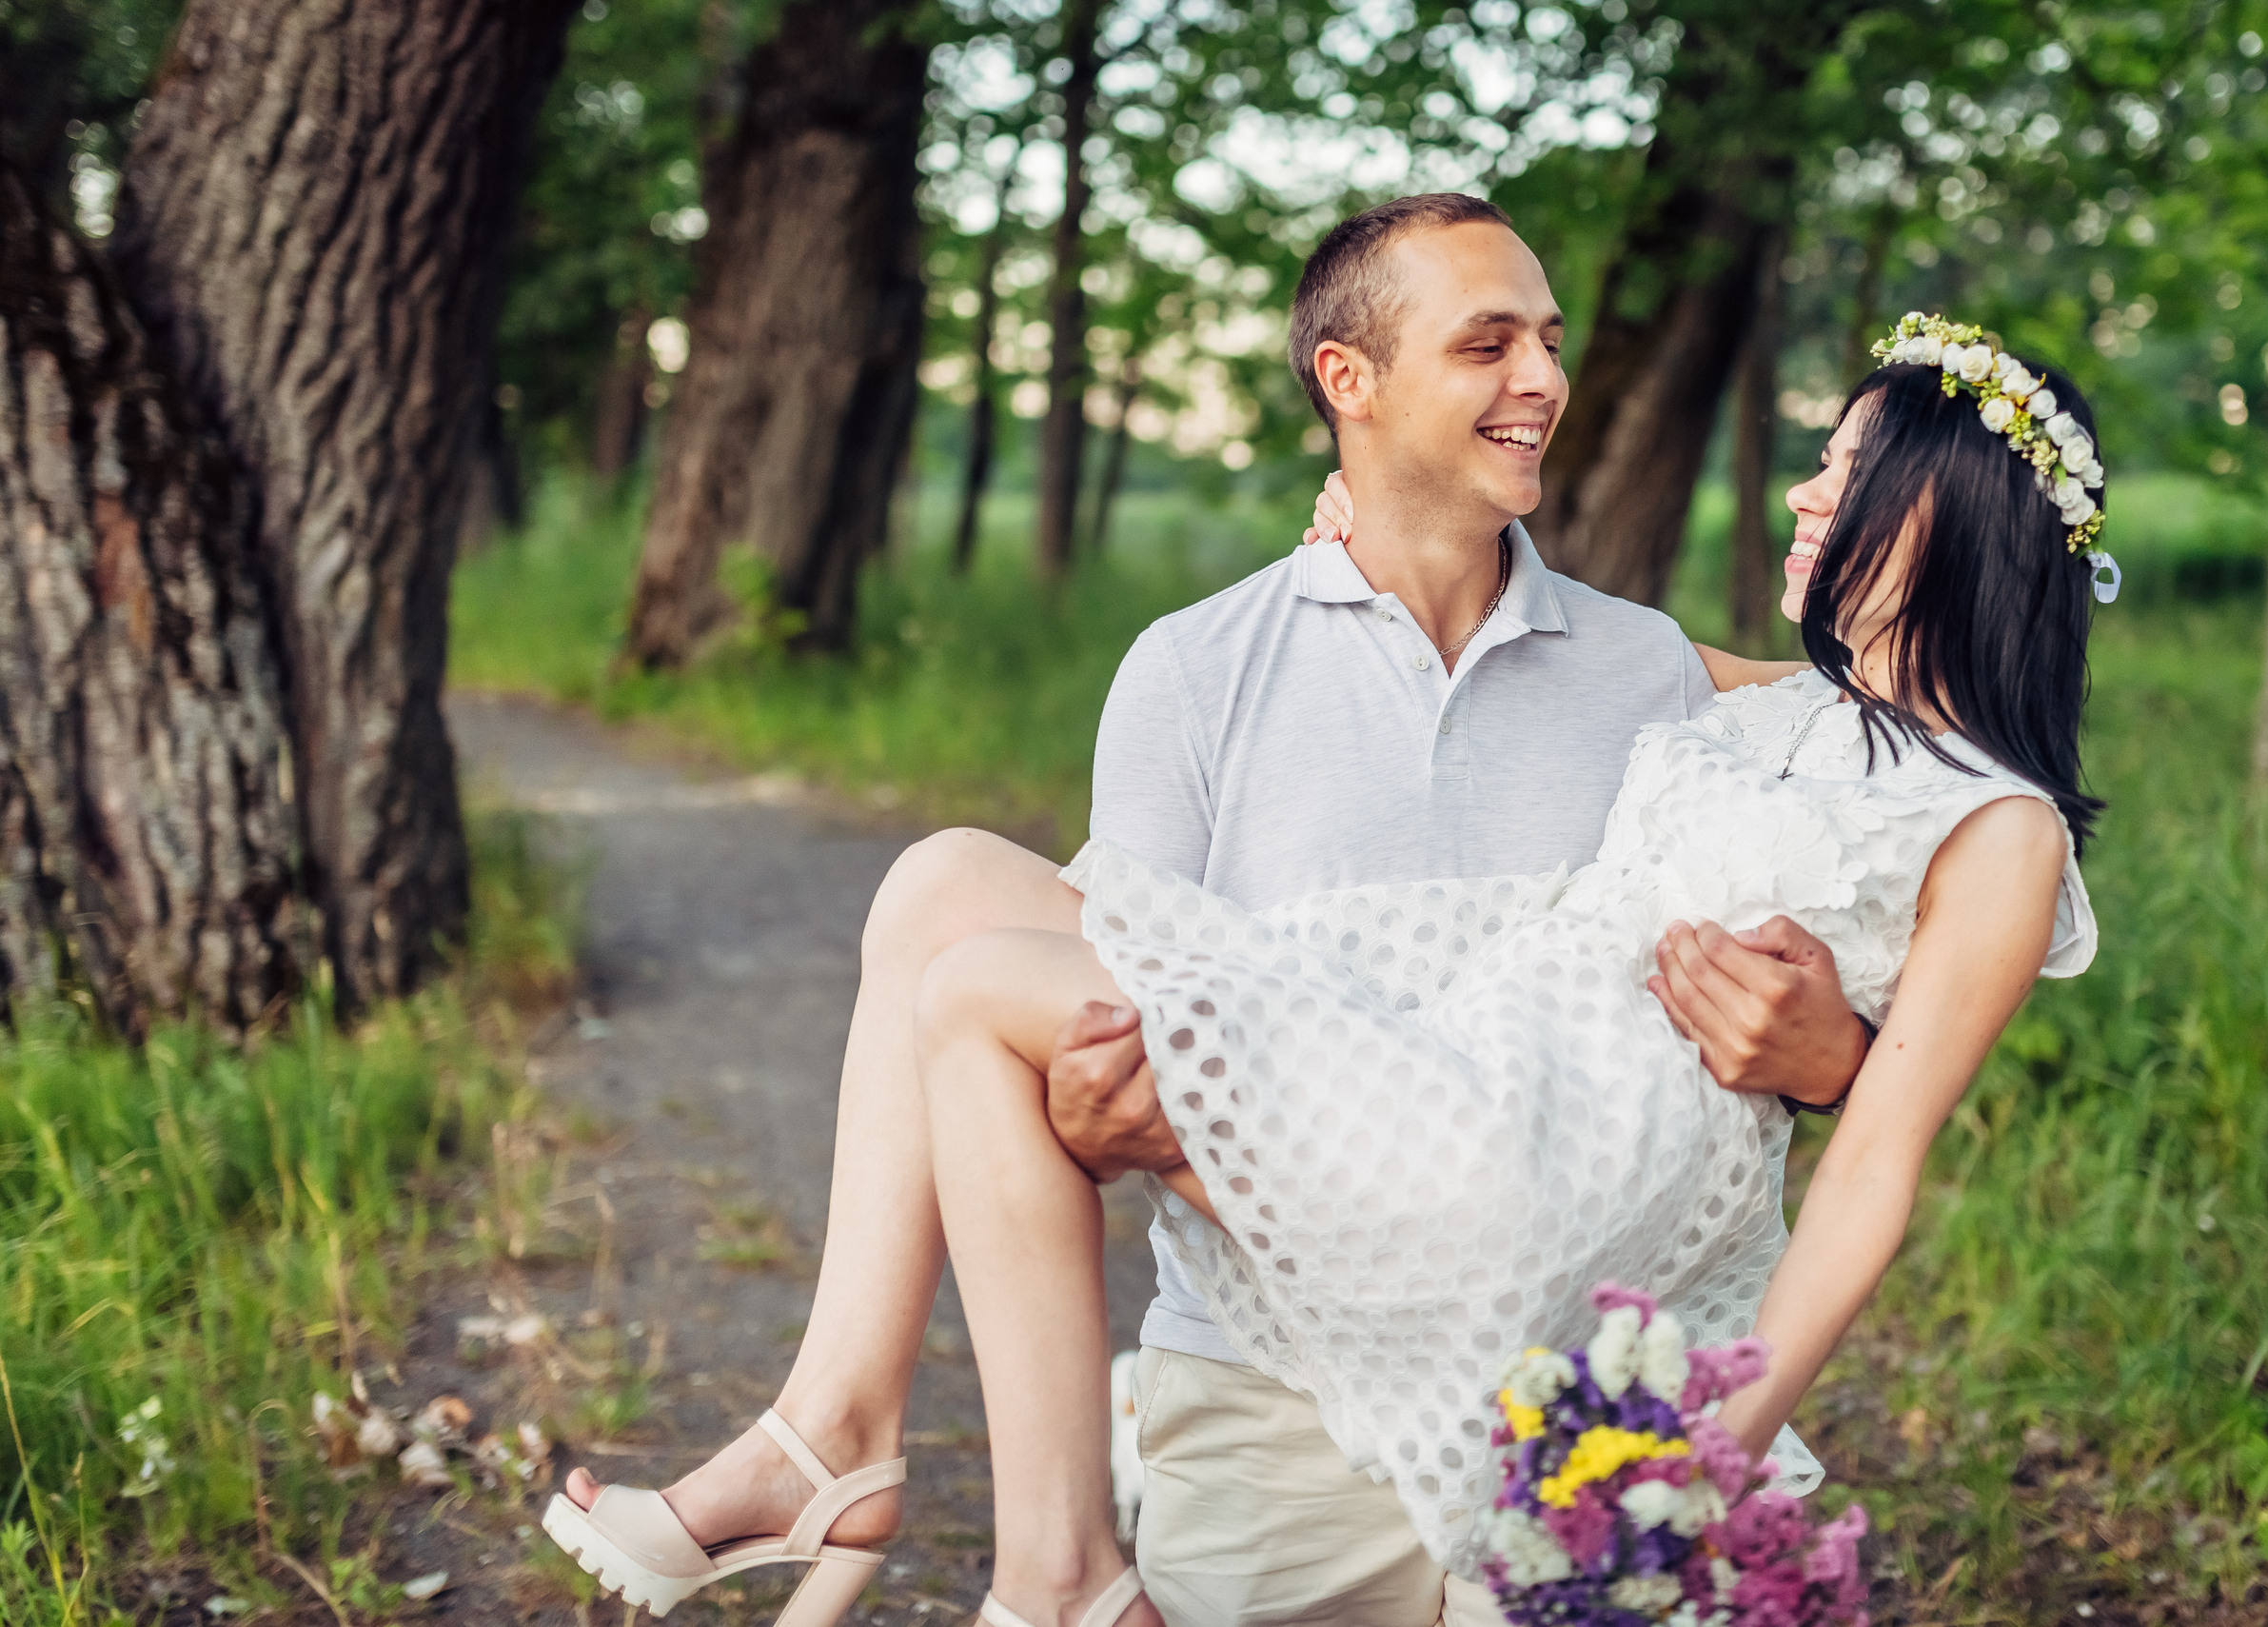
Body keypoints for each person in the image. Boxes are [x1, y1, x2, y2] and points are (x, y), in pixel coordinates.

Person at [544, 198, 2100, 1627]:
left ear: (1949, 508)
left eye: (1546, 342)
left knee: (970, 991)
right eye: (1489, 343)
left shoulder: (1725, 704)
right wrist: (1364, 539)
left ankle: (1037, 1556)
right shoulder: (1232, 668)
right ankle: (846, 1429)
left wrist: (1826, 1090)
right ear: (1350, 384)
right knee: (942, 883)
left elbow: (1892, 973)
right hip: (1361, 1202)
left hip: (1516, 1170)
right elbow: (1862, 716)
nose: (1544, 378)